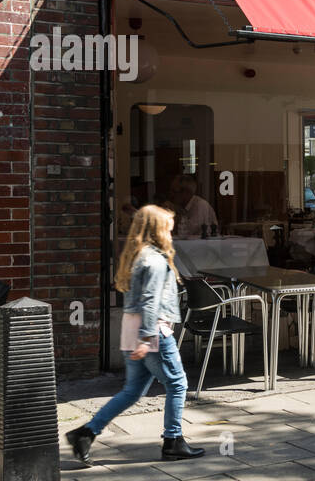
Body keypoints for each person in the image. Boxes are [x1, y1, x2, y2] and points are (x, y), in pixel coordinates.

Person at [64, 205, 204, 464]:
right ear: (156, 230)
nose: (171, 234)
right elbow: (150, 301)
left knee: (132, 391)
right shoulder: (155, 260)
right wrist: (147, 338)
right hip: (153, 331)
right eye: (168, 229)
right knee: (178, 384)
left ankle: (86, 433)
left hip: (131, 328)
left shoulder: (137, 256)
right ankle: (173, 441)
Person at [169, 173, 218, 239]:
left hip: (204, 247)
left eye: (174, 191)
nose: (171, 195)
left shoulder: (200, 206)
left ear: (186, 192)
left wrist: (177, 216)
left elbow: (186, 233)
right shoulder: (181, 207)